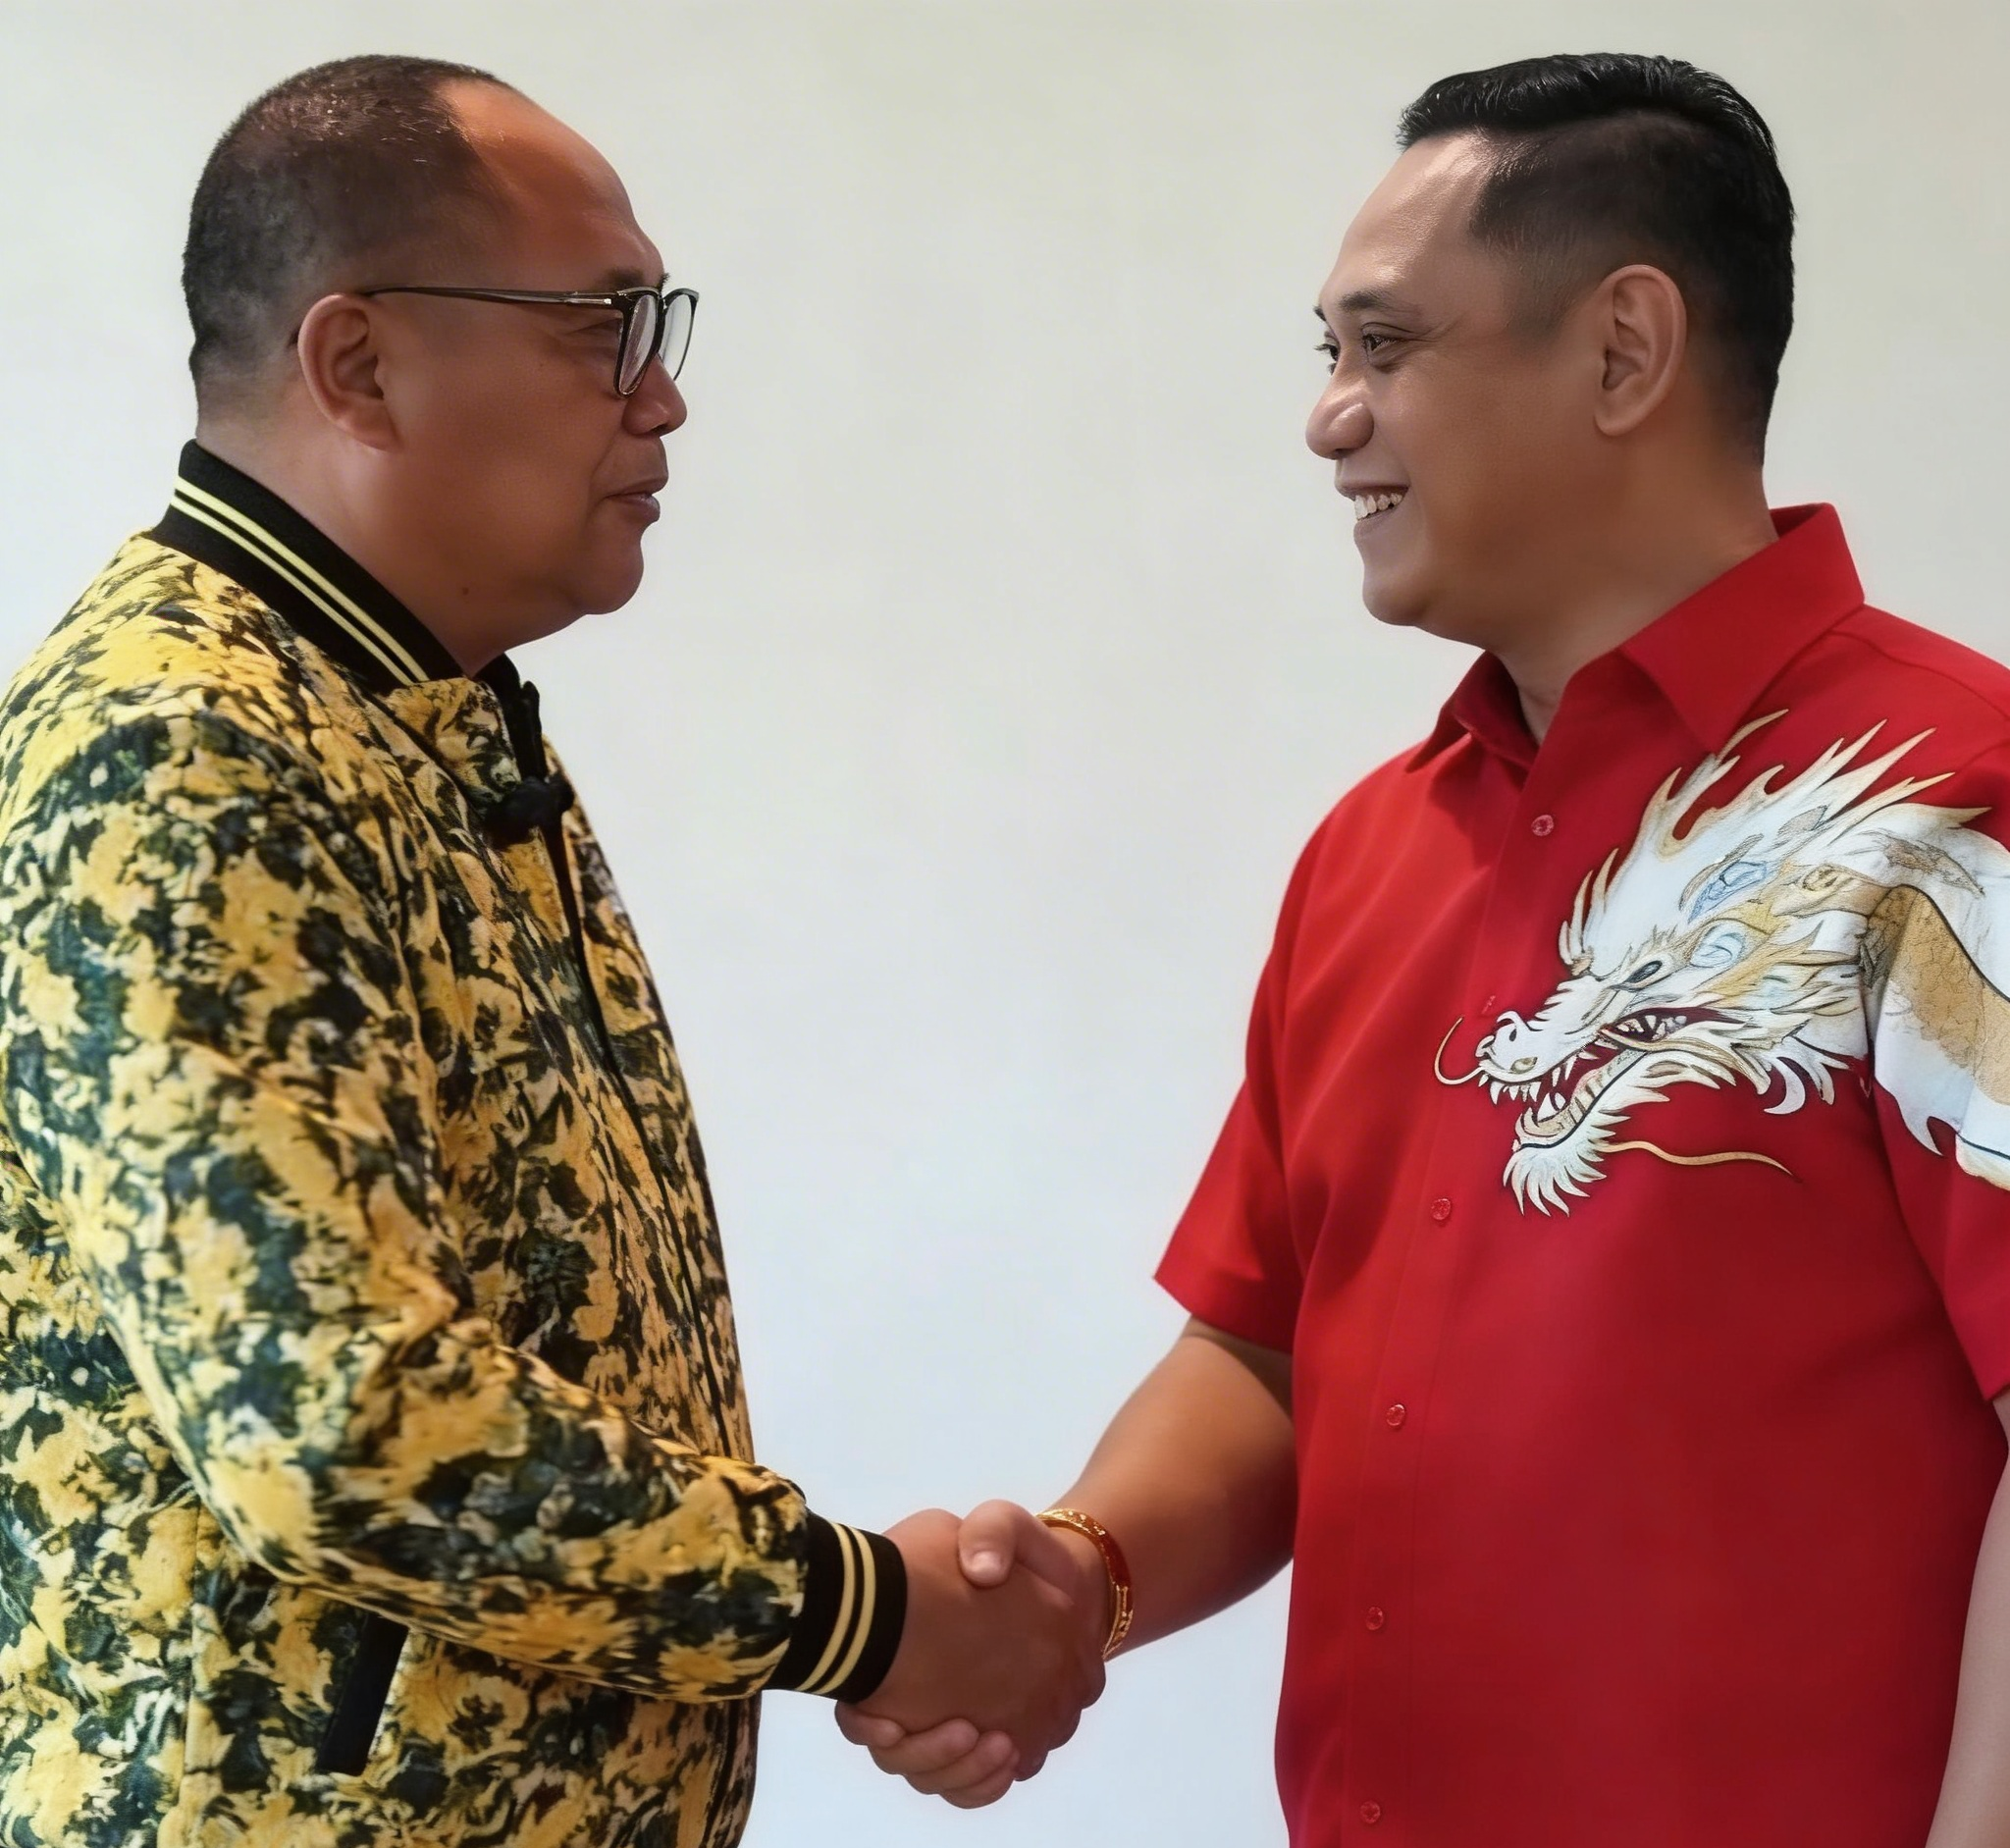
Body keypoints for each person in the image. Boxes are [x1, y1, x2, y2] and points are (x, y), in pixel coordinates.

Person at [843, 51, 2010, 1848]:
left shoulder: (1948, 800)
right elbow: (1265, 1349)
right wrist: (1076, 1578)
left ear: (1623, 351)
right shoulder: (1374, 848)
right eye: (1329, 353)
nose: (1331, 420)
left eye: (1384, 348)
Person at [0, 54, 1102, 1848]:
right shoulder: (186, 743)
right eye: (604, 325)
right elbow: (335, 1423)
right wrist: (864, 1611)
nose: (663, 394)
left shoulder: (416, 714)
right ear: (359, 365)